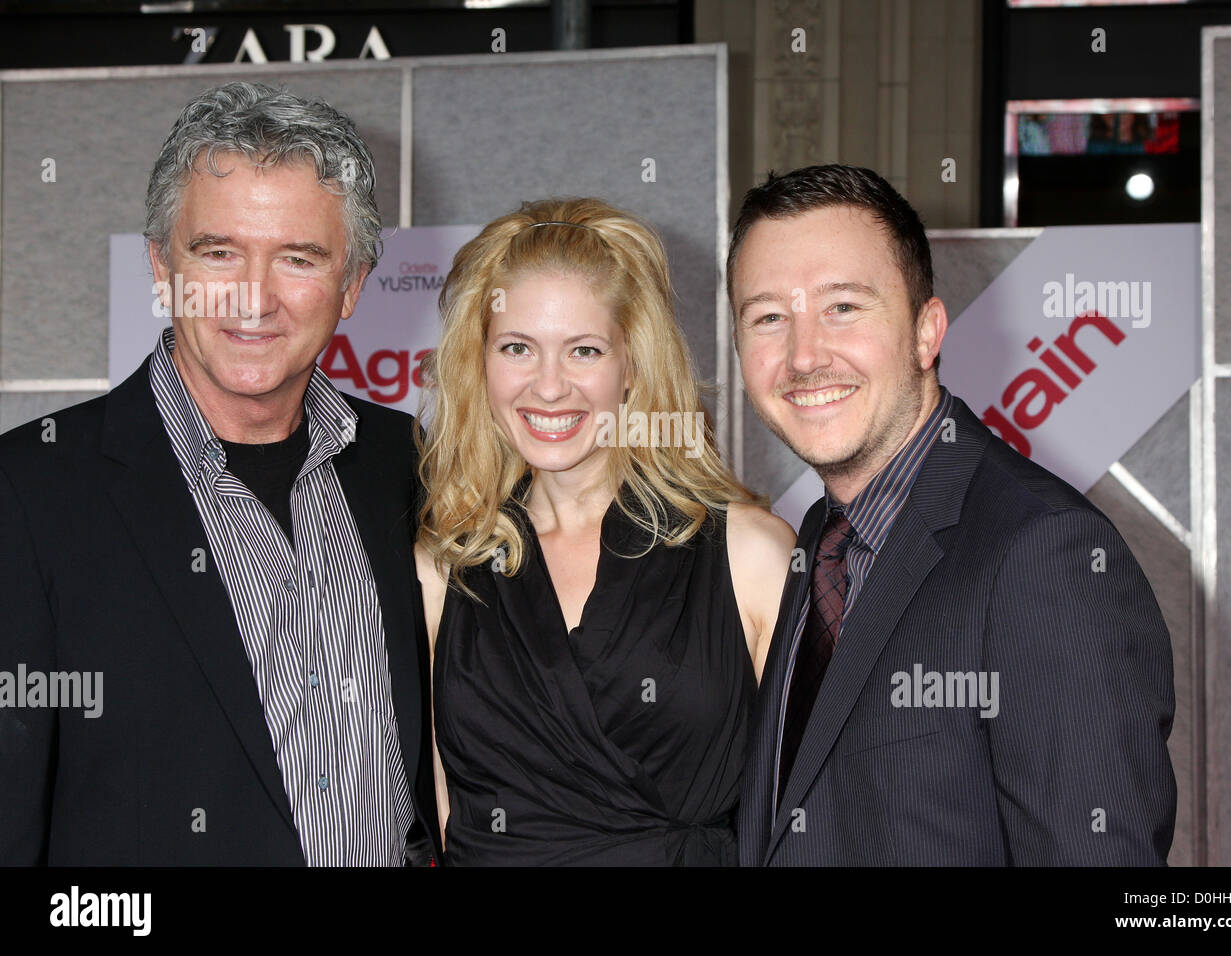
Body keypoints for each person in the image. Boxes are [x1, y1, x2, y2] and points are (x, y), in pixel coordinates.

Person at [0, 82, 436, 865]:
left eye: (298, 258)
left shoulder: (412, 465)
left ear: (353, 286)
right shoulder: (28, 494)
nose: (252, 297)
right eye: (218, 251)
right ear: (161, 267)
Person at [729, 164, 1177, 866]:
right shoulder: (817, 544)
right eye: (767, 318)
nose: (803, 354)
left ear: (926, 331)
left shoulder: (1044, 553)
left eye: (843, 307)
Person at [414, 197, 794, 865]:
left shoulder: (752, 557)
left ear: (633, 367)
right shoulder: (442, 570)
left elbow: (813, 812)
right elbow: (443, 821)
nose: (549, 386)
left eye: (584, 350)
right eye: (517, 348)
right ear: (479, 364)